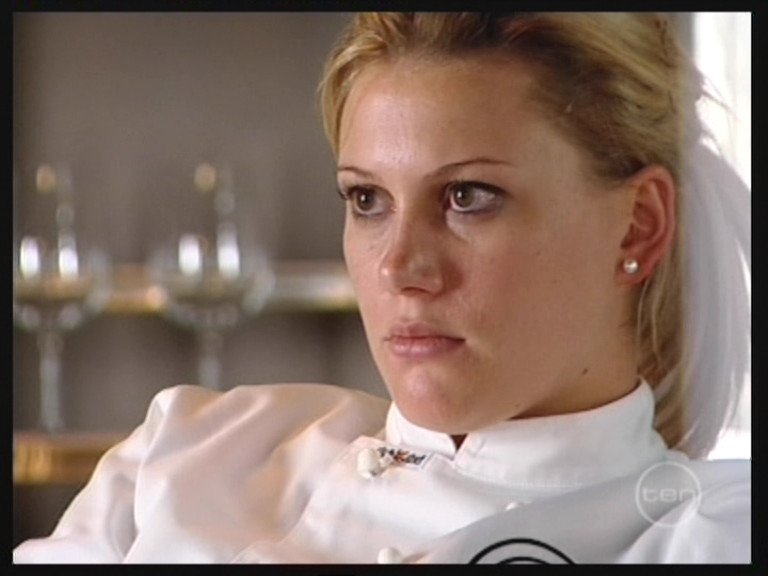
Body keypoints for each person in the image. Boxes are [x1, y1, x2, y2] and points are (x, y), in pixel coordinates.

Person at [13, 12, 751, 564]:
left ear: (638, 227)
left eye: (468, 197)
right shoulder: (187, 450)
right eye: (367, 200)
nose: (400, 266)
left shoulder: (705, 534)